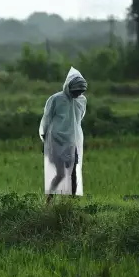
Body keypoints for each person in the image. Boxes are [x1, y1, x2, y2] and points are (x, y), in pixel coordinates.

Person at [39, 66, 87, 205]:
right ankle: (49, 200)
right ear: (69, 87)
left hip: (72, 140)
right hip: (56, 140)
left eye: (80, 92)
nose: (77, 94)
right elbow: (46, 119)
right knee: (59, 173)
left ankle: (71, 203)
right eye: (76, 92)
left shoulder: (81, 101)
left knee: (73, 171)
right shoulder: (55, 99)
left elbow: (78, 119)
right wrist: (44, 139)